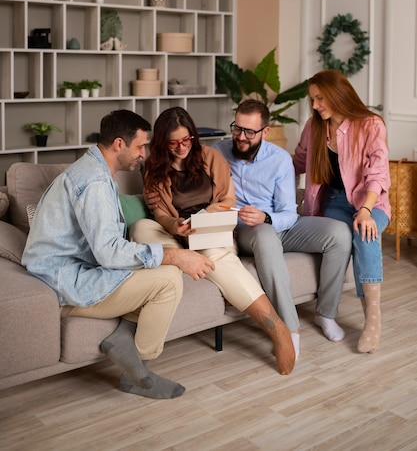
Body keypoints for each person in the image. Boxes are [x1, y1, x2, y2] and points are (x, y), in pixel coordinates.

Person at [22, 109, 216, 400]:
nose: (143, 154)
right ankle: (137, 372)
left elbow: (107, 246)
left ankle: (122, 340)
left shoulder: (93, 170)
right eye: (139, 146)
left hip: (70, 271)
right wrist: (174, 256)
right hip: (64, 284)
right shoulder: (95, 183)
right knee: (169, 281)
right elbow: (109, 253)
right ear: (118, 144)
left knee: (156, 269)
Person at [131, 106, 296, 375]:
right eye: (174, 142)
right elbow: (159, 212)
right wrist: (174, 224)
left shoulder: (211, 157)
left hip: (209, 230)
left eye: (187, 140)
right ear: (163, 142)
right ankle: (185, 259)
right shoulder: (153, 166)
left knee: (218, 256)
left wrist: (205, 215)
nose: (182, 147)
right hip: (175, 236)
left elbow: (228, 200)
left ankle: (277, 328)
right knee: (141, 227)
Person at [214, 98, 353, 358]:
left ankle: (326, 313)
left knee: (340, 234)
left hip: (277, 224)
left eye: (249, 132)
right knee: (265, 235)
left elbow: (289, 213)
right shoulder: (217, 152)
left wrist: (266, 216)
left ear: (265, 132)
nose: (241, 137)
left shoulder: (279, 160)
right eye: (237, 128)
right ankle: (290, 329)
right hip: (246, 230)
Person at [293, 70, 390, 354]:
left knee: (364, 233)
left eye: (320, 98)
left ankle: (373, 319)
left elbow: (379, 173)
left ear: (338, 94)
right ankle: (327, 312)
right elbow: (297, 161)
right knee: (339, 239)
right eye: (312, 99)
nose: (315, 105)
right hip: (334, 201)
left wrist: (365, 210)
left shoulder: (371, 124)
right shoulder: (314, 128)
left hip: (371, 202)